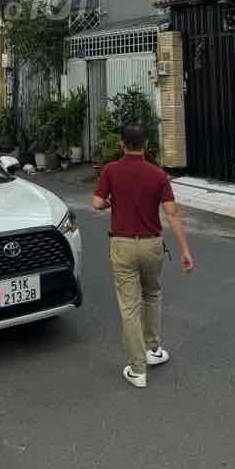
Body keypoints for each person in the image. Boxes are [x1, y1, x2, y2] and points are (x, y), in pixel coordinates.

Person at [93, 124, 194, 389]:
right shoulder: (158, 174)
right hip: (152, 245)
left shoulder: (110, 170)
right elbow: (171, 213)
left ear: (121, 145)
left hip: (122, 245)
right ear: (146, 145)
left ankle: (137, 370)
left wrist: (111, 203)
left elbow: (96, 203)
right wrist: (185, 250)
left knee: (129, 307)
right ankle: (153, 349)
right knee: (152, 294)